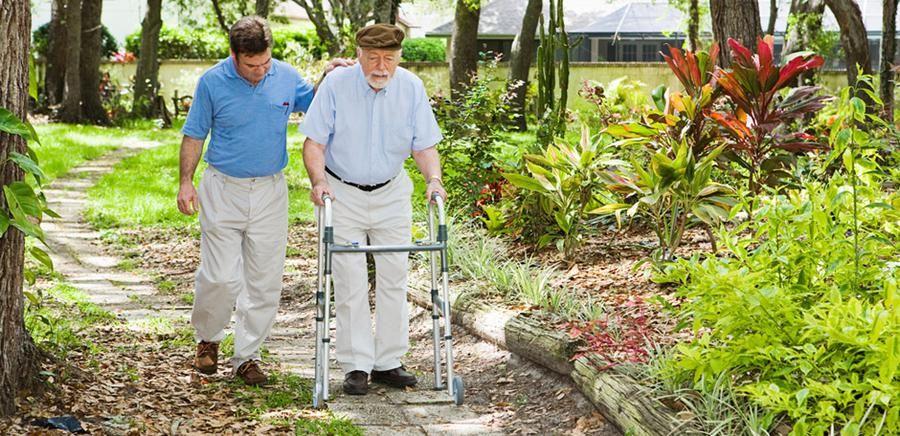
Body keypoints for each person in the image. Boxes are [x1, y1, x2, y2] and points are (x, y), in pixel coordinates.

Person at [176, 15, 352, 386]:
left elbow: (316, 102)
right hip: (223, 187)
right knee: (221, 276)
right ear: (234, 55)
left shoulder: (285, 76)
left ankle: (248, 357)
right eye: (252, 65)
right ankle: (208, 339)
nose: (260, 71)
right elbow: (194, 135)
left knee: (265, 279)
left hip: (271, 189)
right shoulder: (212, 82)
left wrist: (331, 74)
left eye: (265, 63)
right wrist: (186, 182)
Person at [300, 23, 446, 396]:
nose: (381, 67)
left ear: (399, 58)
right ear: (359, 56)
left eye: (390, 59)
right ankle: (356, 364)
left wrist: (433, 179)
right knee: (349, 279)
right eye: (374, 58)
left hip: (391, 192)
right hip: (342, 191)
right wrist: (319, 182)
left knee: (395, 274)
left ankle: (388, 361)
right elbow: (313, 143)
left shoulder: (411, 86)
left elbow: (424, 145)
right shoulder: (336, 85)